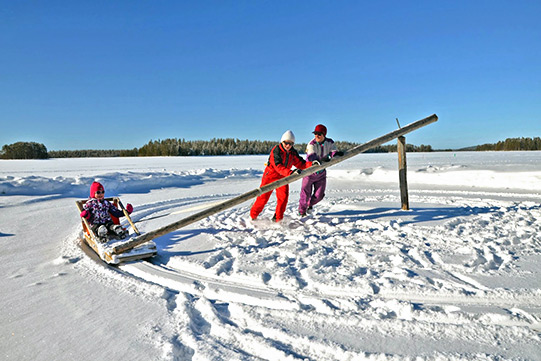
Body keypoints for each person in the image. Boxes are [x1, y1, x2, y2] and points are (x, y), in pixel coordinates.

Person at [250, 130, 317, 222]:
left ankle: (278, 219)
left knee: (283, 198)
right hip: (270, 177)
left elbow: (301, 163)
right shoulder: (276, 150)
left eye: (291, 143)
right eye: (286, 143)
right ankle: (253, 216)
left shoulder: (292, 152)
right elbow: (278, 166)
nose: (288, 146)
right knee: (263, 197)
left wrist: (312, 164)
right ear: (282, 142)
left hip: (283, 177)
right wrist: (290, 173)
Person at [298, 124, 343, 216]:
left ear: (324, 134)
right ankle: (302, 212)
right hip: (309, 173)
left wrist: (336, 154)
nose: (316, 136)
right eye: (315, 133)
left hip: (321, 174)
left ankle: (309, 204)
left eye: (319, 134)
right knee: (305, 195)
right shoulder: (312, 144)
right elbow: (311, 156)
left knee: (319, 196)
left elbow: (333, 151)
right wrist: (320, 160)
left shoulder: (329, 142)